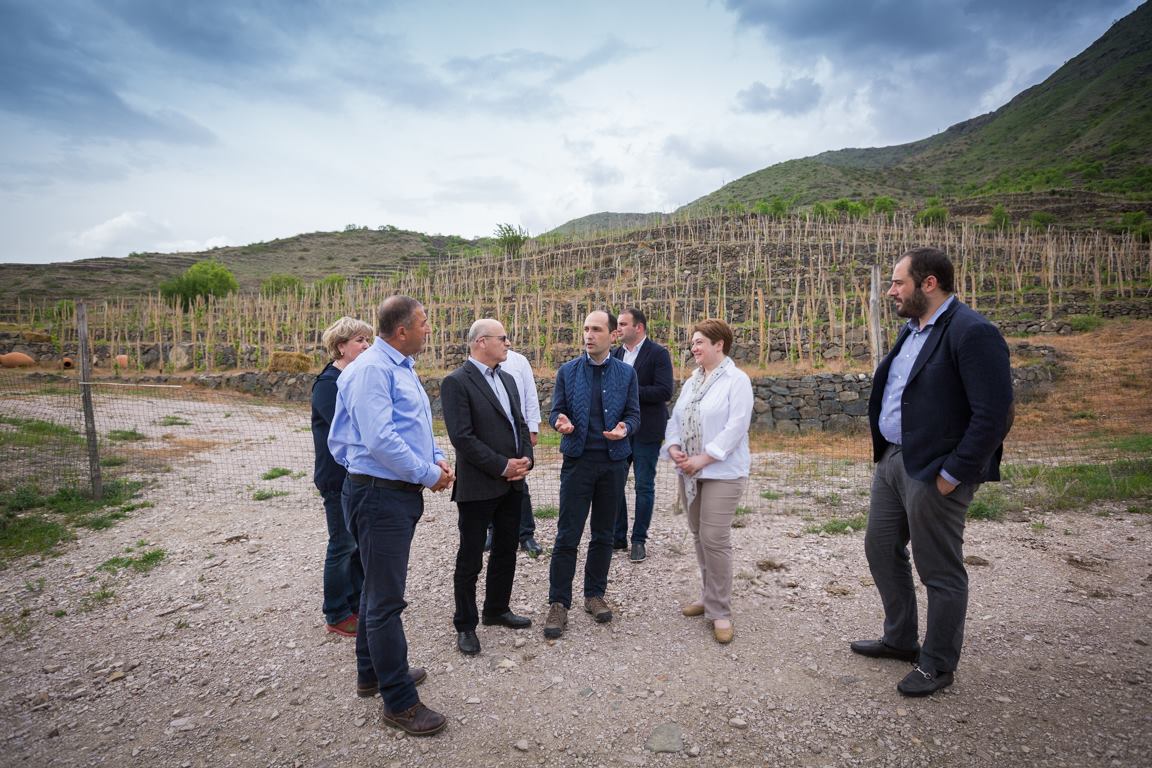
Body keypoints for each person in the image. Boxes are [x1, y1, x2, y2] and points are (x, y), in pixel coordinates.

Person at [852, 247, 1013, 697]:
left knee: (939, 569)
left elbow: (994, 415)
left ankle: (938, 663)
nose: (891, 291)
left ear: (929, 283)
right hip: (893, 461)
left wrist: (954, 473)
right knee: (880, 548)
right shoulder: (912, 329)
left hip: (936, 469)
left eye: (898, 282)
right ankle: (900, 639)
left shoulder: (973, 332)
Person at [328, 295, 454, 737]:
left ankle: (371, 673)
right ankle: (399, 702)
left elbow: (413, 425)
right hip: (379, 495)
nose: (428, 329)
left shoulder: (400, 366)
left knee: (374, 591)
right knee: (386, 602)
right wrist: (428, 474)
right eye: (424, 323)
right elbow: (380, 440)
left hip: (390, 493)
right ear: (402, 331)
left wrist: (435, 456)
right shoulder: (373, 371)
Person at [543, 310, 640, 640]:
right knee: (567, 535)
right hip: (578, 463)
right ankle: (558, 603)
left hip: (613, 464)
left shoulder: (626, 374)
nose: (589, 335)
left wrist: (626, 427)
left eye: (596, 329)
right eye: (586, 329)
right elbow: (556, 411)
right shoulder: (568, 372)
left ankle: (594, 594)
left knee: (603, 534)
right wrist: (560, 422)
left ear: (613, 336)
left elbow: (634, 414)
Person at [442, 319, 535, 656]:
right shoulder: (456, 382)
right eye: (503, 338)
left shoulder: (508, 378)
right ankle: (465, 624)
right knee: (470, 558)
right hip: (479, 485)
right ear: (481, 342)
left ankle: (496, 609)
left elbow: (520, 424)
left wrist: (526, 460)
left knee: (506, 549)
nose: (508, 343)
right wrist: (501, 465)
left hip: (512, 484)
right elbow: (462, 437)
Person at [662, 319, 752, 645]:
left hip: (722, 472)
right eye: (693, 343)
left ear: (719, 345)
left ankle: (720, 610)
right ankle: (708, 596)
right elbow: (676, 419)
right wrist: (674, 448)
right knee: (699, 536)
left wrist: (703, 458)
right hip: (690, 472)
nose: (694, 347)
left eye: (699, 342)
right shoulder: (693, 381)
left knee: (715, 538)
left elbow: (736, 427)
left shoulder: (737, 381)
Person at [311, 316, 372, 638]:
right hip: (337, 478)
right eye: (360, 340)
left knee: (358, 544)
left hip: (356, 476)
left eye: (367, 340)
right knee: (342, 544)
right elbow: (350, 428)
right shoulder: (328, 384)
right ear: (340, 346)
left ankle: (357, 602)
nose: (366, 346)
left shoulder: (354, 378)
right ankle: (336, 613)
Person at [611, 307, 673, 563]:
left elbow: (664, 391)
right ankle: (618, 536)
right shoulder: (615, 355)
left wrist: (630, 391)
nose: (618, 328)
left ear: (639, 327)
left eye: (623, 324)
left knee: (644, 485)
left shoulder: (658, 354)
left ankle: (639, 540)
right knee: (615, 482)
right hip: (621, 430)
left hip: (647, 430)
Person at [483, 346, 544, 557]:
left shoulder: (519, 361)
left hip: (517, 433)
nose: (506, 342)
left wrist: (533, 428)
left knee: (520, 484)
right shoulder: (479, 365)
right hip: (491, 434)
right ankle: (493, 531)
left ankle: (526, 534)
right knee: (492, 482)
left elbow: (530, 395)